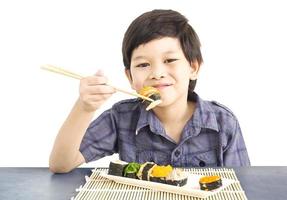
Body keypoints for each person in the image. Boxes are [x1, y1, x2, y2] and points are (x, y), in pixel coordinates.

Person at [49, 9, 250, 173]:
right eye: (143, 64)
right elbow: (61, 164)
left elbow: (241, 186)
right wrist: (84, 107)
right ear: (129, 77)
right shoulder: (121, 118)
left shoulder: (223, 123)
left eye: (169, 60)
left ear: (193, 68)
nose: (157, 73)